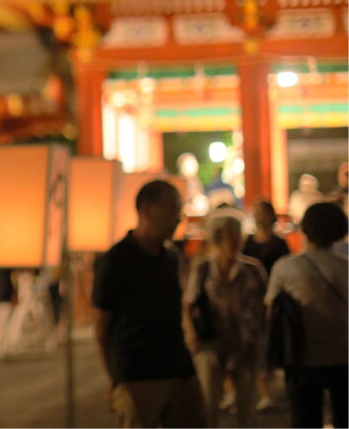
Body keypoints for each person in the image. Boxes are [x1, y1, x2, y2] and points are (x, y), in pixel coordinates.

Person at [92, 179, 206, 427]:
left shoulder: (171, 258)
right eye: (173, 210)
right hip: (137, 373)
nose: (178, 218)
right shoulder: (116, 259)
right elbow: (102, 325)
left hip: (178, 368)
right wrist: (115, 380)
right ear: (146, 210)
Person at [265, 201, 348, 428]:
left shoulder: (285, 267)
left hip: (301, 355)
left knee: (305, 419)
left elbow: (271, 308)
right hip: (343, 354)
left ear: (305, 229)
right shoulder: (346, 267)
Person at [184, 213, 267, 427]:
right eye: (231, 236)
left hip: (245, 343)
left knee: (246, 406)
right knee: (209, 404)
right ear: (217, 238)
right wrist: (192, 335)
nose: (237, 240)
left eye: (238, 235)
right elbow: (188, 303)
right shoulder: (203, 269)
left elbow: (265, 306)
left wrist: (262, 341)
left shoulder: (252, 268)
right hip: (211, 344)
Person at [242, 199, 290, 410]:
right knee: (257, 342)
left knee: (272, 341)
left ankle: (266, 386)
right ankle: (261, 390)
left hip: (275, 300)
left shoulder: (279, 244)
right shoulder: (248, 242)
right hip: (252, 300)